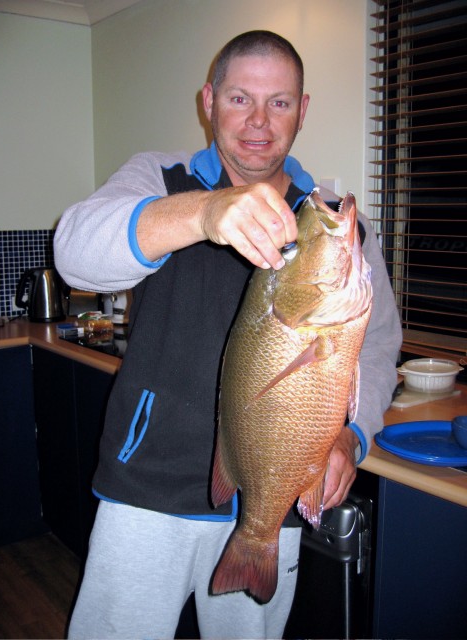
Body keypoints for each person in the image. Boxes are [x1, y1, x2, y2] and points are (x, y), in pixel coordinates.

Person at [55, 30, 402, 640]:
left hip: (274, 493)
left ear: (303, 109)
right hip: (145, 489)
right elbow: (75, 253)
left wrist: (350, 436)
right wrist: (203, 214)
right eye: (241, 99)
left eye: (280, 102)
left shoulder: (331, 224)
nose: (260, 122)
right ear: (209, 100)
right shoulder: (160, 182)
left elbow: (375, 349)